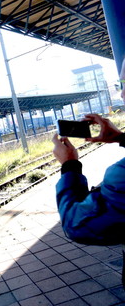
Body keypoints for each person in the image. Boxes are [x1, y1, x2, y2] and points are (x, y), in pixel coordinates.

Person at [52, 57, 125, 285]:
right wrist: (121, 138)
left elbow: (77, 225)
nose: (122, 95)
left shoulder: (120, 175)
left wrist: (70, 166)